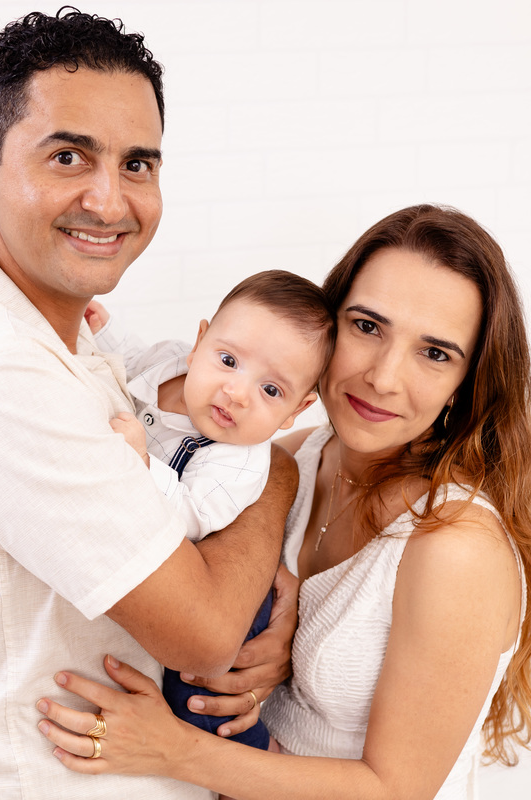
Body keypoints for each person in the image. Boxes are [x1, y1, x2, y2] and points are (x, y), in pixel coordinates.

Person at [0, 9, 298, 799]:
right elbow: (203, 635)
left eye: (138, 165)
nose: (109, 200)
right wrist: (276, 479)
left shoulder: (62, 332)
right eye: (68, 157)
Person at [36, 204, 531, 800]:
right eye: (367, 326)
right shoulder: (289, 459)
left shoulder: (454, 547)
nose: (384, 377)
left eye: (435, 353)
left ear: (464, 386)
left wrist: (175, 751)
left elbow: (394, 791)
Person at [87, 270, 331, 749]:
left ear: (296, 411)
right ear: (198, 344)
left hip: (228, 588)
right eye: (228, 360)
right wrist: (102, 327)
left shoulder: (238, 459)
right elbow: (131, 356)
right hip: (174, 579)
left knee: (202, 697)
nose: (237, 393)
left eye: (271, 391)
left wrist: (141, 463)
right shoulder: (168, 363)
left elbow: (190, 517)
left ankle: (244, 752)